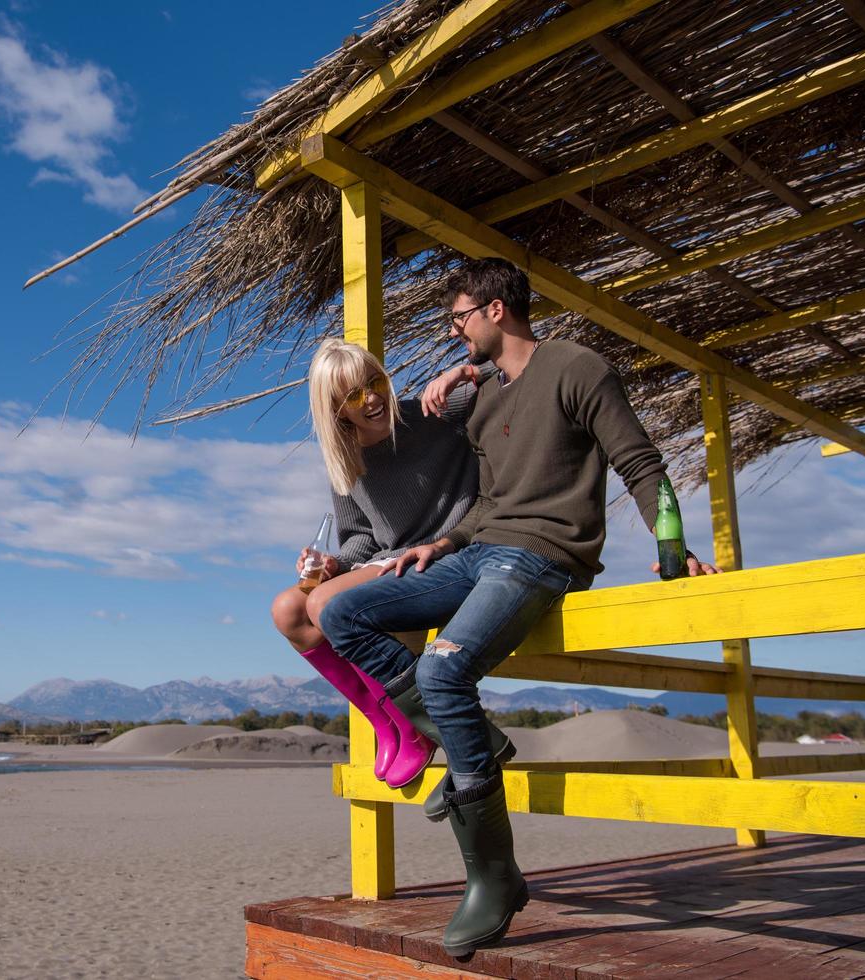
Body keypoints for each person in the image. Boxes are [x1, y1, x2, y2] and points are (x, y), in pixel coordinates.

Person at [315, 258, 718, 959]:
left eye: (459, 320)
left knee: (441, 672)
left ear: (495, 310)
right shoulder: (492, 401)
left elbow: (641, 463)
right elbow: (490, 507)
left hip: (541, 557)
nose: (454, 334)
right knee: (340, 614)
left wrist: (674, 543)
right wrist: (438, 545)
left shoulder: (577, 367)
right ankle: (474, 745)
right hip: (478, 553)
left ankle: (495, 876)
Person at [271, 337, 488, 789]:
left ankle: (409, 723)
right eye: (353, 394)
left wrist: (461, 372)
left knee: (323, 606)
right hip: (388, 561)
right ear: (336, 409)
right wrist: (333, 563)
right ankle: (388, 722)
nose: (371, 398)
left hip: (447, 551)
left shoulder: (436, 410)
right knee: (287, 609)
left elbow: (511, 377)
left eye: (374, 382)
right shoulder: (346, 457)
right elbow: (360, 541)